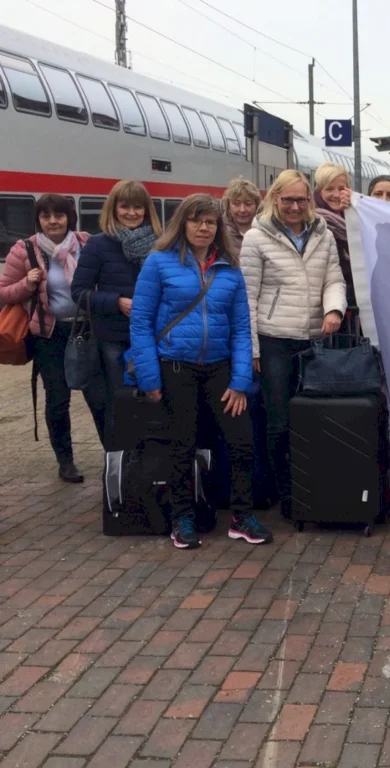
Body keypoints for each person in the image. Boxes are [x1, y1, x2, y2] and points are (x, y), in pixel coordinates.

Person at [129, 193, 267, 549]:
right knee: (181, 446)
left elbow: (241, 327)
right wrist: (149, 377)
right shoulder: (158, 263)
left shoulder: (230, 267)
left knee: (241, 442)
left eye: (210, 222)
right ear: (182, 223)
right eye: (196, 220)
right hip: (176, 367)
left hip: (221, 368)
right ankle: (182, 518)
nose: (203, 228)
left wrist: (240, 381)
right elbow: (141, 322)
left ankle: (241, 516)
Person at [240, 169, 346, 520]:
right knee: (279, 421)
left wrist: (333, 309)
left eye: (301, 199)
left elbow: (334, 279)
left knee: (313, 418)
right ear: (275, 198)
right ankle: (287, 493)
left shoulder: (323, 234)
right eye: (289, 200)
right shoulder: (256, 238)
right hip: (274, 340)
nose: (296, 207)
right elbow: (247, 298)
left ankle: (312, 485)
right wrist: (253, 349)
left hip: (315, 339)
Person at [0, 195, 104, 481]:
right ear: (38, 220)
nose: (53, 221)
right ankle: (65, 461)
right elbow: (4, 291)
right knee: (57, 400)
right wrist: (27, 283)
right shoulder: (24, 250)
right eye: (46, 216)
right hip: (49, 335)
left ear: (70, 217)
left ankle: (113, 455)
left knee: (98, 397)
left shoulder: (87, 244)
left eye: (59, 215)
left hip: (86, 330)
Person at [71, 179, 161, 448]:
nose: (131, 213)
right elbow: (79, 292)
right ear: (113, 208)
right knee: (119, 400)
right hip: (113, 337)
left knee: (155, 398)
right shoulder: (97, 245)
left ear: (147, 210)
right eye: (125, 207)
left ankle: (152, 457)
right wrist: (116, 302)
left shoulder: (161, 244)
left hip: (154, 336)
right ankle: (120, 459)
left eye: (138, 207)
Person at [314, 163, 357, 315]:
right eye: (329, 189)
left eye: (341, 189)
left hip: (347, 299)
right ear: (319, 191)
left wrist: (352, 209)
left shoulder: (349, 216)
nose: (337, 195)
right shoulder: (316, 221)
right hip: (325, 303)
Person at [221, 178, 261, 260]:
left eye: (248, 204)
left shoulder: (267, 231)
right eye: (236, 204)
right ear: (228, 206)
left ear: (257, 206)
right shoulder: (220, 232)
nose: (242, 210)